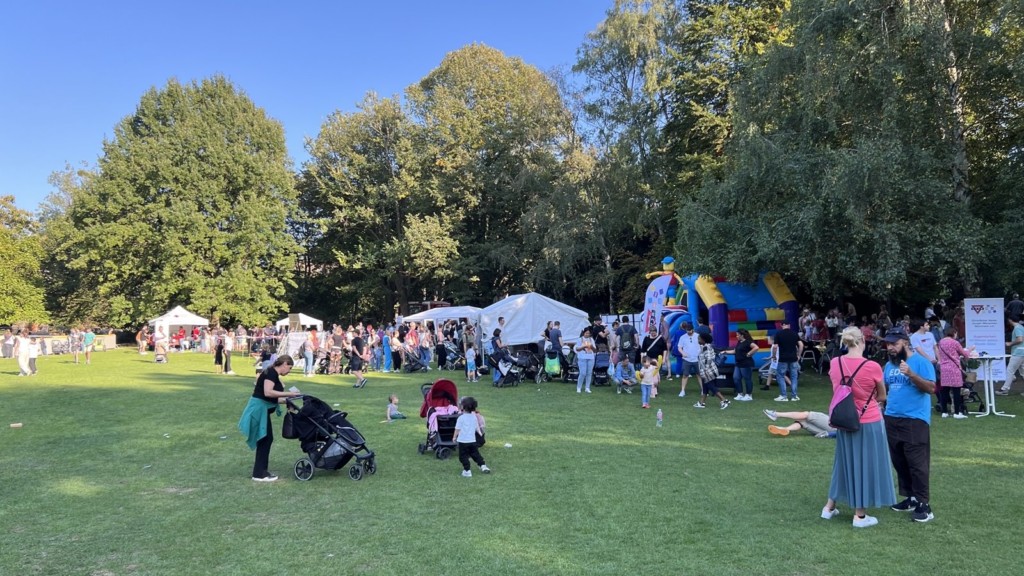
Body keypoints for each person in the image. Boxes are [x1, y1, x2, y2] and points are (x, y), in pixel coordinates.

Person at [820, 326, 894, 528]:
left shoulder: (835, 363)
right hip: (867, 420)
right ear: (863, 341)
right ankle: (860, 516)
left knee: (843, 463)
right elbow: (882, 396)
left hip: (843, 420)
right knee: (865, 465)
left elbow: (838, 389)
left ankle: (829, 507)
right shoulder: (872, 366)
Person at [882, 325, 937, 523]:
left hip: (915, 420)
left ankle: (924, 505)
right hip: (892, 418)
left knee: (917, 463)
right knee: (900, 461)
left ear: (905, 343)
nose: (890, 348)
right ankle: (911, 498)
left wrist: (912, 374)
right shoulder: (889, 366)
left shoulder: (921, 363)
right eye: (888, 344)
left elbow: (931, 388)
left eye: (894, 344)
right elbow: (884, 389)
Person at [238, 356, 300, 482]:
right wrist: (290, 394)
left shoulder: (273, 373)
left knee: (265, 439)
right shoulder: (271, 373)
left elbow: (272, 398)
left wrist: (289, 400)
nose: (289, 371)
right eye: (289, 367)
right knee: (265, 439)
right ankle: (260, 474)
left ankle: (260, 472)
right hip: (258, 409)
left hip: (262, 409)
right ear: (284, 363)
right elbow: (268, 392)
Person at [937, 326, 974, 417]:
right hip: (954, 368)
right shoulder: (955, 342)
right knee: (956, 391)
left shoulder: (941, 342)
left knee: (944, 391)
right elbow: (965, 354)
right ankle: (957, 413)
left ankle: (944, 412)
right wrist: (970, 349)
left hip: (944, 368)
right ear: (953, 333)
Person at [453, 396, 490, 477]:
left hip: (463, 441)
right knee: (475, 454)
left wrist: (454, 437)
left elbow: (457, 429)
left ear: (462, 407)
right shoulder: (474, 417)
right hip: (472, 441)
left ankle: (467, 470)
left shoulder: (461, 418)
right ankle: (483, 466)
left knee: (463, 457)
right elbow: (477, 427)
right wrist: (480, 433)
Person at [694, 333, 729, 410]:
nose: (698, 340)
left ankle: (724, 400)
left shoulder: (706, 347)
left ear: (704, 340)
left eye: (699, 339)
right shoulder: (704, 347)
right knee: (705, 387)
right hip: (705, 371)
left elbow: (709, 359)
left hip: (708, 371)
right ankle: (701, 403)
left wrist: (706, 369)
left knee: (711, 386)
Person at [774, 320, 803, 402]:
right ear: (789, 325)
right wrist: (799, 355)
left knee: (780, 376)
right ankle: (794, 396)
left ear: (782, 325)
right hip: (793, 358)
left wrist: (773, 356)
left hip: (783, 358)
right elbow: (801, 345)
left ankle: (784, 395)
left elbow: (775, 347)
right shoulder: (794, 333)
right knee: (794, 377)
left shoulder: (779, 334)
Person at [729, 328, 759, 401]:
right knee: (736, 378)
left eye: (738, 335)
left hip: (746, 363)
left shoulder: (748, 342)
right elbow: (735, 351)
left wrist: (749, 353)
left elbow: (756, 347)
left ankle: (749, 395)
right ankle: (740, 393)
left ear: (742, 335)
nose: (737, 336)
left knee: (747, 378)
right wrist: (725, 351)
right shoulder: (739, 342)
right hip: (738, 363)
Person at [763, 409, 835, 438]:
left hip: (835, 426)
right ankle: (785, 429)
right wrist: (829, 434)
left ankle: (775, 414)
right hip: (835, 432)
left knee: (806, 415)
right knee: (803, 422)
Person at [999, 316, 1024, 395]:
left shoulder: (1017, 328)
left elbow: (1020, 339)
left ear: (1010, 320)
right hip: (1021, 352)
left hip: (1018, 352)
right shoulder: (1021, 327)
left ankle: (1005, 389)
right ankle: (1007, 386)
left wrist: (1010, 343)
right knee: (1022, 372)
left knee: (1010, 370)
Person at [676, 322, 700, 398]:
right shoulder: (683, 337)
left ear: (693, 329)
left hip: (697, 359)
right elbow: (679, 347)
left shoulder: (698, 336)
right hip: (687, 359)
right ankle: (682, 391)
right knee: (685, 375)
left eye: (689, 330)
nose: (688, 331)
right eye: (687, 330)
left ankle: (703, 390)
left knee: (699, 375)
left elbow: (702, 345)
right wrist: (683, 353)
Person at [575, 327, 596, 394]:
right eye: (586, 333)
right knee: (582, 373)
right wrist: (583, 347)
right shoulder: (580, 339)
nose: (587, 334)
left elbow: (595, 350)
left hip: (590, 358)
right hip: (582, 358)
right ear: (584, 333)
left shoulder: (591, 339)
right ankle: (579, 387)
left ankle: (587, 387)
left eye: (589, 333)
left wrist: (592, 346)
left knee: (589, 373)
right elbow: (577, 349)